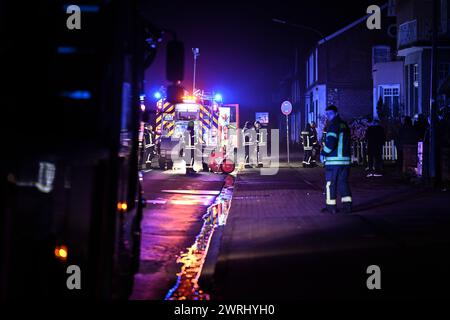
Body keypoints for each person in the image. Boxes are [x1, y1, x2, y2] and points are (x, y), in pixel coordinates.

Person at [320, 105, 352, 214]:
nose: (328, 116)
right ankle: (348, 206)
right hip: (345, 161)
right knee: (343, 183)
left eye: (330, 114)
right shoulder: (344, 125)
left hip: (334, 161)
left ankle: (331, 207)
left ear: (336, 113)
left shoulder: (333, 125)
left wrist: (323, 153)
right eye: (327, 114)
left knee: (330, 184)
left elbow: (331, 143)